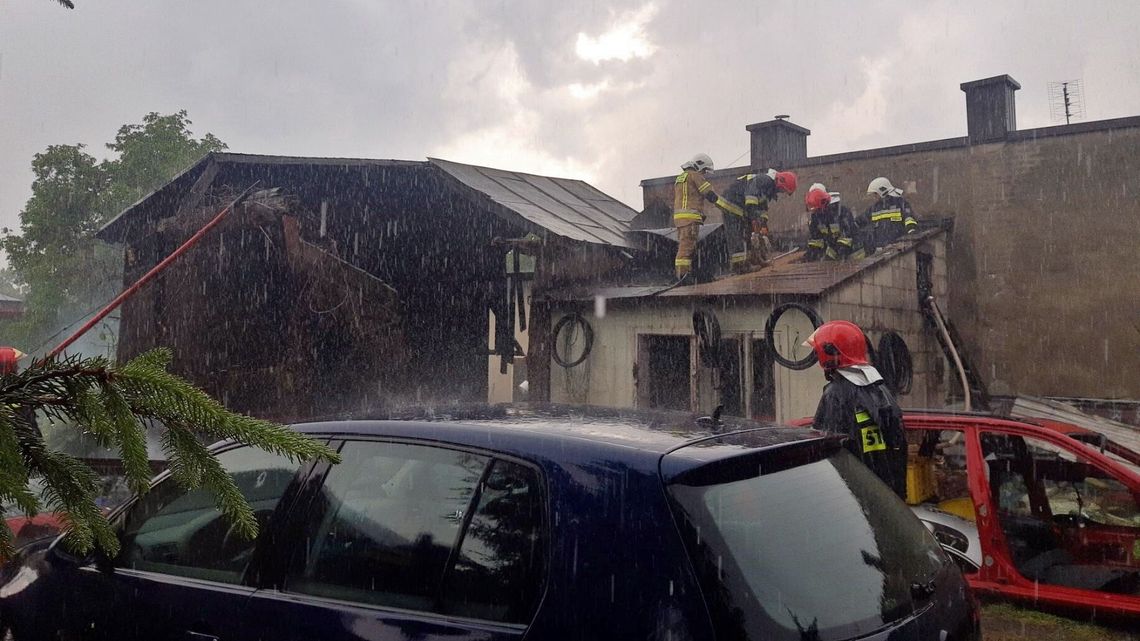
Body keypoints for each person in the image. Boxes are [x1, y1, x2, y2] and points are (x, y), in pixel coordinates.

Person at [805, 321, 907, 498]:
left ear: (828, 353)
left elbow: (825, 448)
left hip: (854, 496)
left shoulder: (835, 394)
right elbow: (897, 442)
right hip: (886, 492)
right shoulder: (879, 388)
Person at [713, 169, 797, 271]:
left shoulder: (769, 187)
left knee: (748, 233)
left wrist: (763, 223)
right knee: (736, 234)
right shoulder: (764, 180)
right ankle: (739, 266)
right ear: (780, 182)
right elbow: (751, 198)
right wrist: (754, 218)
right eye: (783, 190)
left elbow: (762, 207)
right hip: (732, 204)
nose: (781, 192)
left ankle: (753, 259)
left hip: (742, 207)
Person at [673, 153, 720, 278]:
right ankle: (683, 276)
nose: (704, 173)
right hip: (690, 218)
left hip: (680, 219)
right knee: (686, 248)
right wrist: (718, 200)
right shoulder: (695, 175)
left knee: (685, 245)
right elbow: (707, 192)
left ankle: (685, 273)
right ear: (699, 166)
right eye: (704, 170)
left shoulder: (681, 177)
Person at [803, 183, 866, 261]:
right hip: (834, 251)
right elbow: (816, 240)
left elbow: (847, 237)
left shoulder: (841, 213)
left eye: (816, 209)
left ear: (823, 205)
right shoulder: (816, 217)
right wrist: (810, 255)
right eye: (812, 210)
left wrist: (839, 256)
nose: (814, 212)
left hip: (854, 253)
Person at [862, 177, 918, 251]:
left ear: (882, 191)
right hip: (880, 252)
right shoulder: (874, 208)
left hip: (898, 249)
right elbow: (860, 221)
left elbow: (909, 219)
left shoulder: (900, 203)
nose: (874, 197)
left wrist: (911, 233)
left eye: (875, 194)